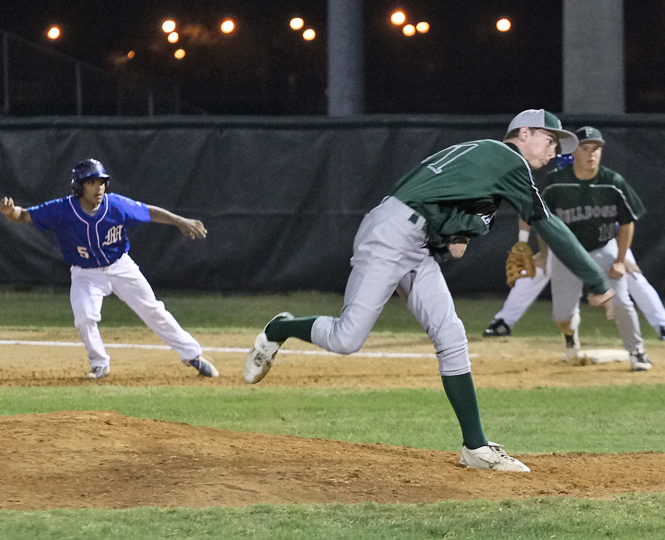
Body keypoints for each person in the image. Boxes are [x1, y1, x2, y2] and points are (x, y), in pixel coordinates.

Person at [243, 110, 616, 472]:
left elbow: (445, 217)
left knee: (451, 336)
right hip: (392, 235)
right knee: (346, 339)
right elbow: (549, 226)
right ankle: (280, 328)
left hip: (413, 240)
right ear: (523, 134)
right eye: (550, 140)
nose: (555, 152)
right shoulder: (506, 158)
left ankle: (475, 447)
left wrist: (453, 232)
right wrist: (597, 282)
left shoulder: (480, 159)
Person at [0, 158, 219, 380]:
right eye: (92, 182)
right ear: (79, 187)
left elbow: (149, 212)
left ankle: (193, 355)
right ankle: (99, 363)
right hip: (86, 273)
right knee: (84, 318)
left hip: (121, 266)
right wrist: (11, 213)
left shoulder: (116, 205)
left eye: (102, 182)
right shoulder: (63, 209)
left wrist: (180, 221)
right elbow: (25, 215)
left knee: (153, 310)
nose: (99, 188)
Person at [484, 150, 665, 342]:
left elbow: (619, 226)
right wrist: (540, 252)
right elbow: (532, 213)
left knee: (633, 276)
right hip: (566, 244)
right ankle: (503, 321)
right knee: (537, 271)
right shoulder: (555, 187)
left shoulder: (597, 186)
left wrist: (621, 257)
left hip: (604, 242)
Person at [529, 127, 654, 371]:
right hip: (566, 253)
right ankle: (570, 335)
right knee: (562, 315)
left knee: (620, 303)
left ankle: (637, 352)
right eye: (585, 149)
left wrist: (619, 259)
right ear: (573, 151)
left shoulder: (612, 182)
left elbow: (627, 221)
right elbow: (538, 217)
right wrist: (543, 253)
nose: (591, 154)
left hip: (602, 248)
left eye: (596, 149)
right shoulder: (555, 183)